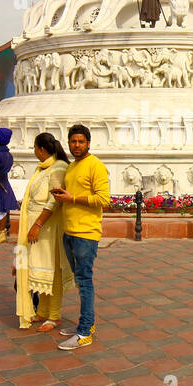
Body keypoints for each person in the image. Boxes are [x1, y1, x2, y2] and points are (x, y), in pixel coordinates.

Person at [51, 124, 111, 351]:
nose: (76, 145)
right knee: (79, 280)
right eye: (73, 141)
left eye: (81, 141)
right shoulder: (72, 167)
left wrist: (73, 198)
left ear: (88, 143)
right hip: (70, 230)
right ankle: (87, 323)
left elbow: (104, 199)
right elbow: (71, 196)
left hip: (86, 233)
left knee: (85, 281)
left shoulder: (95, 166)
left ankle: (84, 332)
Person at [14, 134, 73, 332]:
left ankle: (54, 316)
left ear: (41, 149)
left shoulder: (58, 168)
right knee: (42, 272)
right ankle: (44, 311)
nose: (33, 151)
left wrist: (38, 224)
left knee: (53, 272)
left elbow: (54, 200)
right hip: (36, 228)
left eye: (34, 147)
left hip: (48, 229)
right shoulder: (43, 168)